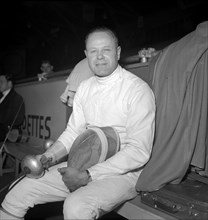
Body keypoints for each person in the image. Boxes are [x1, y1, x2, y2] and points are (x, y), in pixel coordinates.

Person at [0, 27, 156, 219]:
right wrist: (46, 157)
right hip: (82, 163)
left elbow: (139, 151)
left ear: (118, 52)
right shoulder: (85, 87)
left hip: (124, 173)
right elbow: (73, 132)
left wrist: (89, 175)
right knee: (17, 192)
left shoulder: (138, 90)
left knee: (75, 206)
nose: (99, 57)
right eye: (93, 51)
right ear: (86, 55)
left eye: (106, 50)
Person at [0, 73, 25, 142]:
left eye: (1, 81)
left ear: (9, 83)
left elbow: (17, 120)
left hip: (6, 136)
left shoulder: (16, 98)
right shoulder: (1, 96)